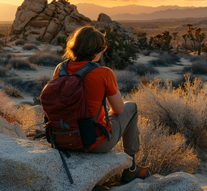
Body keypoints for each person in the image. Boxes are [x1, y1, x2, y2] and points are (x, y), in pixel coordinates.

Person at [51, 25, 149, 183]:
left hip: (61, 139)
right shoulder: (104, 73)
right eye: (103, 48)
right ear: (97, 50)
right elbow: (118, 109)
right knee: (131, 107)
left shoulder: (60, 69)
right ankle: (131, 169)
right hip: (93, 142)